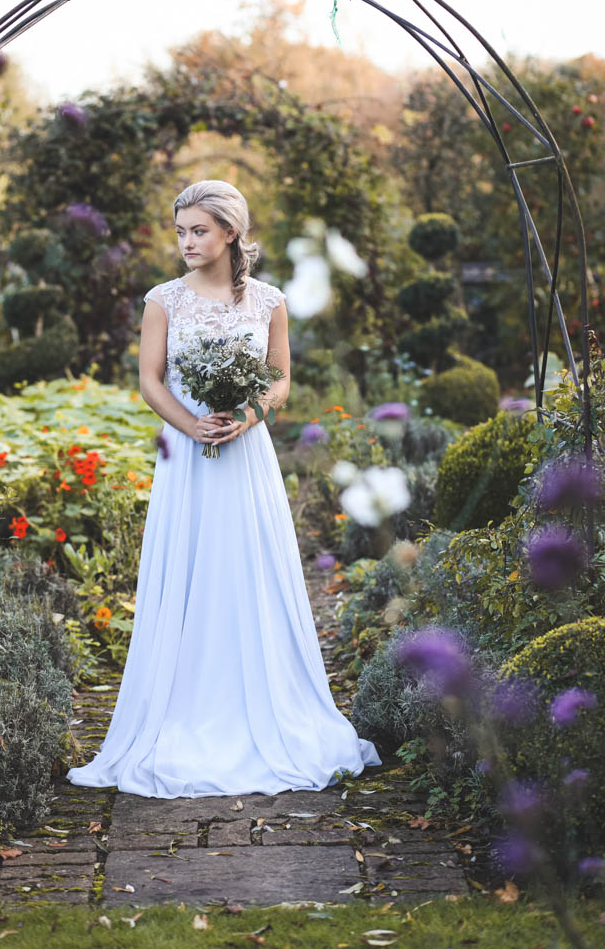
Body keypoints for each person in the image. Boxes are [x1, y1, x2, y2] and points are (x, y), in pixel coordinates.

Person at [65, 179, 381, 796]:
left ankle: (266, 704)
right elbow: (150, 381)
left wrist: (246, 419)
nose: (186, 241)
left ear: (230, 233)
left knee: (249, 569)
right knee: (191, 570)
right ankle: (182, 706)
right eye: (180, 230)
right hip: (186, 459)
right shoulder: (164, 300)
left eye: (199, 230)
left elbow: (281, 379)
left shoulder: (268, 301)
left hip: (247, 456)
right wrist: (193, 427)